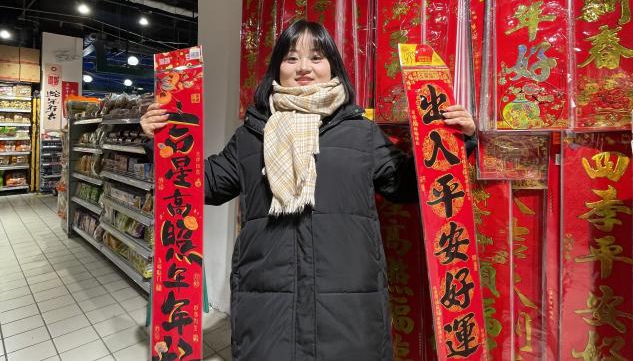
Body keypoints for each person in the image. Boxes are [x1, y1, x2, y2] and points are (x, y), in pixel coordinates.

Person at [141, 20, 476, 361]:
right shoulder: (250, 136)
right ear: (277, 68)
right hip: (267, 304)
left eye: (316, 57)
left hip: (349, 309)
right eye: (291, 58)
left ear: (332, 67)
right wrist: (163, 143)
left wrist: (453, 141)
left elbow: (405, 184)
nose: (303, 67)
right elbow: (205, 185)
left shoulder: (361, 133)